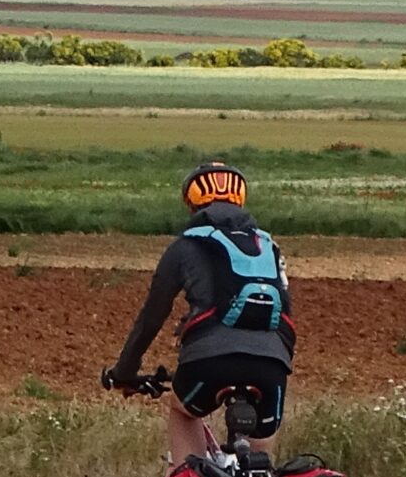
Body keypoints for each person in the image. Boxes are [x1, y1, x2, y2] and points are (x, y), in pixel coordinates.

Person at [103, 163, 294, 462]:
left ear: (192, 202)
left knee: (184, 413)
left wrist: (124, 372)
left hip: (209, 362)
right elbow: (285, 314)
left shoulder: (186, 246)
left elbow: (152, 317)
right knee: (261, 452)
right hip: (272, 365)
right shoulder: (269, 247)